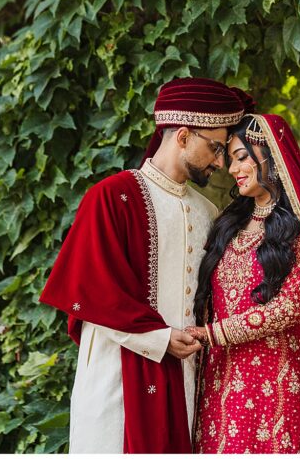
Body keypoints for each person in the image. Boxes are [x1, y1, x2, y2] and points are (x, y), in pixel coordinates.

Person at [39, 77, 255, 453]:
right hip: (116, 380)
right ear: (183, 136)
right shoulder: (111, 197)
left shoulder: (207, 212)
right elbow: (93, 294)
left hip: (184, 381)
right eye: (216, 148)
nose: (221, 162)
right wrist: (159, 339)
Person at [187, 114, 300, 453]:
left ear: (271, 156)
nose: (232, 169)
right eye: (230, 159)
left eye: (241, 158)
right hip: (219, 378)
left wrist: (213, 335)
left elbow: (290, 308)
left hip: (274, 385)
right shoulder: (228, 223)